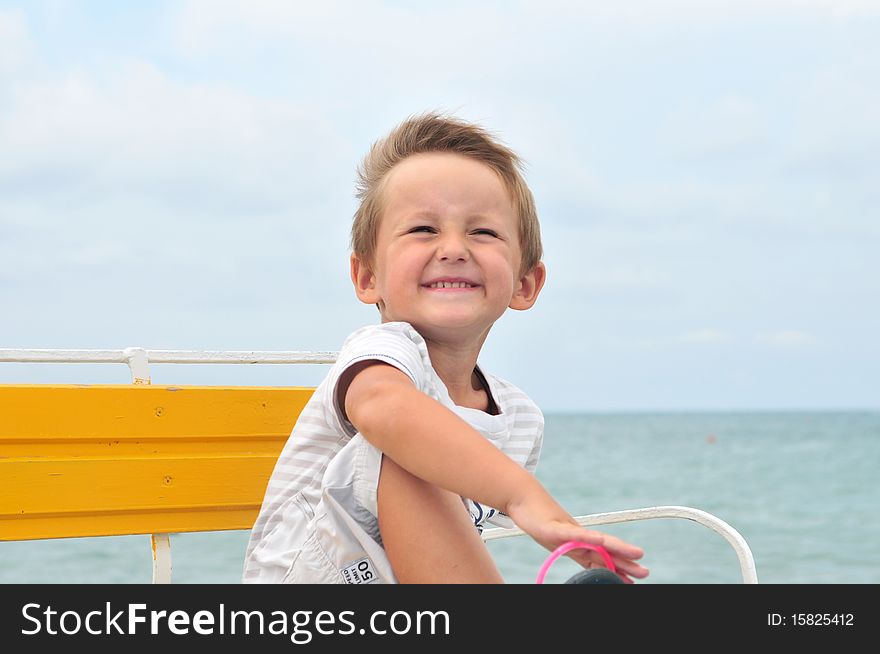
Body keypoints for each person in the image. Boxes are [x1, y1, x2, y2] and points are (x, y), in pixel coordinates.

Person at [242, 112, 649, 584]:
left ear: (525, 284)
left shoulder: (518, 419)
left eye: (483, 232)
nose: (454, 247)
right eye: (422, 230)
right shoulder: (382, 355)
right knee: (405, 450)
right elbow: (385, 409)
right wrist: (523, 498)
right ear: (367, 276)